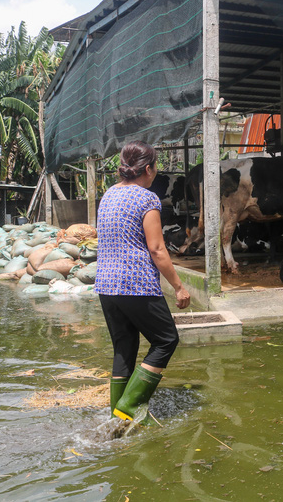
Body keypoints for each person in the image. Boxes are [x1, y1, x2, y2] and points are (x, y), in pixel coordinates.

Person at [95, 140, 190, 426]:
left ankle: (117, 418)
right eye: (156, 167)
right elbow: (157, 249)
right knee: (166, 340)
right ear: (148, 168)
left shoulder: (109, 195)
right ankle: (130, 406)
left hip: (106, 285)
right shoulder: (147, 199)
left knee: (125, 347)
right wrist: (178, 286)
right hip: (135, 284)